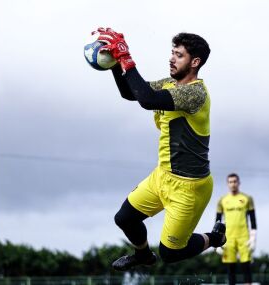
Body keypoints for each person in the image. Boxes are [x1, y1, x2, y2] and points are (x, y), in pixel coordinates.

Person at [92, 27, 226, 271]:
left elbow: (148, 101)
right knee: (125, 219)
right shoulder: (169, 83)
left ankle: (214, 238)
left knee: (171, 253)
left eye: (179, 55)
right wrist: (113, 62)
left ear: (195, 62)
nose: (171, 58)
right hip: (162, 176)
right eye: (172, 52)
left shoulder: (195, 93)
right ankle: (142, 255)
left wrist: (126, 59)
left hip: (189, 188)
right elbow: (130, 93)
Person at [216, 173, 257, 285]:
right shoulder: (222, 200)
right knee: (230, 267)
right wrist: (217, 240)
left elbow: (253, 219)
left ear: (238, 183)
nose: (233, 184)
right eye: (230, 182)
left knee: (246, 265)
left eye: (235, 181)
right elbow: (218, 221)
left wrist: (253, 237)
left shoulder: (247, 198)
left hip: (244, 236)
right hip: (228, 237)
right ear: (227, 184)